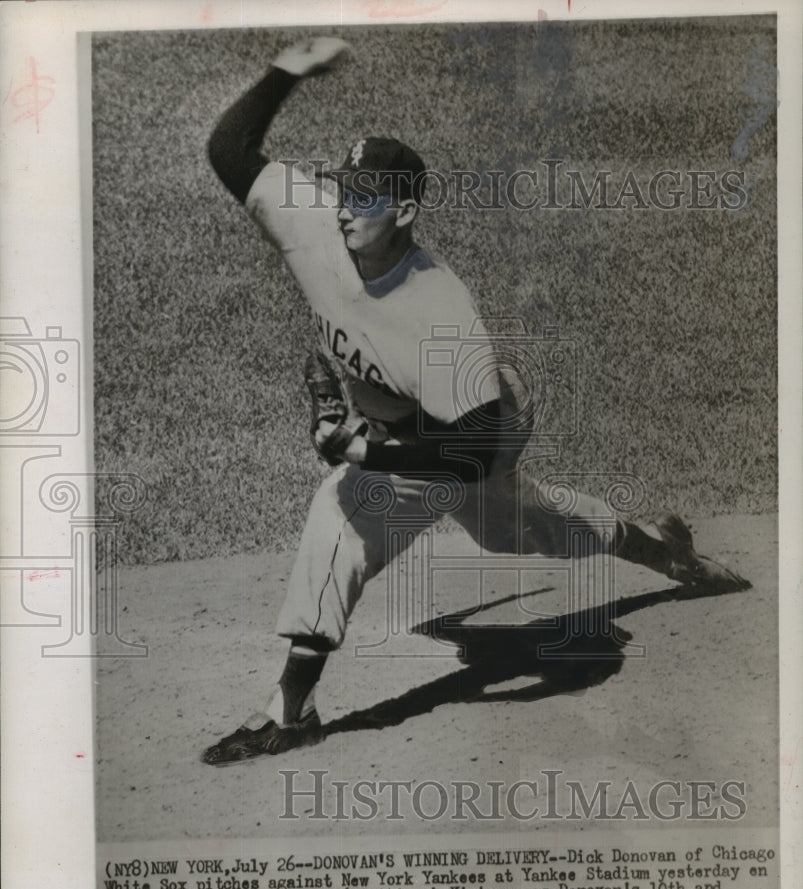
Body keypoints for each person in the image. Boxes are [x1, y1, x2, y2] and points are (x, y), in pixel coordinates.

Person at [201, 37, 749, 765]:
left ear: (402, 211)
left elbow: (472, 452)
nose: (344, 210)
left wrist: (361, 448)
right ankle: (288, 712)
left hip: (476, 432)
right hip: (420, 424)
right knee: (455, 529)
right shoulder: (314, 221)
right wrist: (287, 72)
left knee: (425, 518)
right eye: (343, 189)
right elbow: (230, 150)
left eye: (364, 199)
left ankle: (664, 555)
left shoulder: (439, 316)